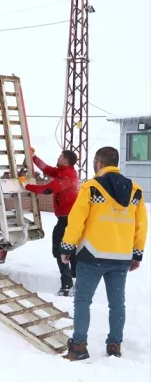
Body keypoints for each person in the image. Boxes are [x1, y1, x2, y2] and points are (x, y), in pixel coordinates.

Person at [58, 146, 146, 361]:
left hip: (92, 255)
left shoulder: (91, 187)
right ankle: (114, 345)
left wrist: (67, 247)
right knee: (117, 303)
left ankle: (78, 347)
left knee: (83, 301)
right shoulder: (135, 190)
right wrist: (136, 254)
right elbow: (140, 225)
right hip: (121, 258)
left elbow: (77, 220)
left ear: (98, 163)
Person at [19, 148, 80, 296]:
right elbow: (48, 169)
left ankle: (67, 286)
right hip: (69, 218)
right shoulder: (66, 172)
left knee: (61, 250)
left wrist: (26, 185)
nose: (58, 158)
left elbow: (47, 189)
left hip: (67, 220)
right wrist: (34, 158)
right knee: (69, 250)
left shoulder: (66, 176)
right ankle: (75, 281)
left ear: (65, 160)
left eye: (60, 156)